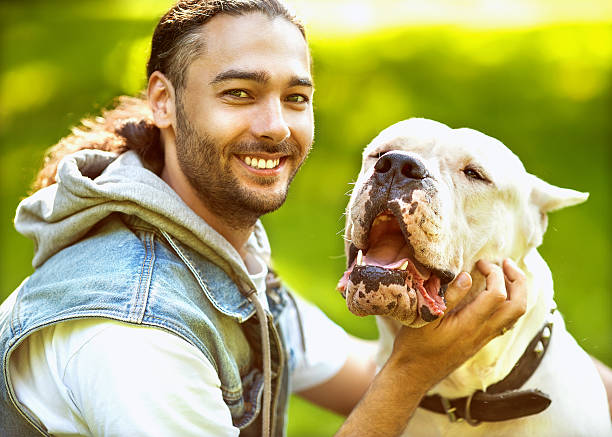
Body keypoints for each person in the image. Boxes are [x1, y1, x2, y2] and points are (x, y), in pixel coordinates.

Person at [0, 1, 608, 436]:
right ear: (164, 101)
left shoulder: (216, 258)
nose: (274, 125)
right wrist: (411, 371)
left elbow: (349, 373)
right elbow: (388, 385)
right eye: (239, 93)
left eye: (295, 98)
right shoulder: (135, 331)